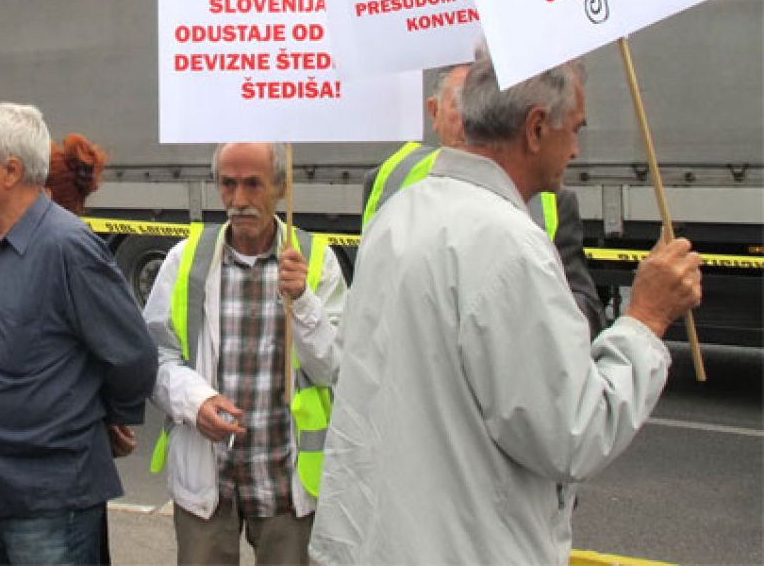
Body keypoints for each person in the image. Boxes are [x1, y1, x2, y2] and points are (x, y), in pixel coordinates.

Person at [309, 45, 703, 565]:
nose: (577, 151)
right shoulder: (508, 245)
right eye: (576, 129)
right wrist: (645, 318)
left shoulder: (400, 213)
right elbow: (574, 434)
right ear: (536, 127)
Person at [0, 103, 157, 565]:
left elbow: (133, 356)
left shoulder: (67, 247)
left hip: (45, 499)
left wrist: (99, 414)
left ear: (11, 172)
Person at [144, 142, 345, 566]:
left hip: (285, 483)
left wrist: (303, 300)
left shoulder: (315, 261)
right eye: (227, 184)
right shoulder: (186, 260)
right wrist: (194, 402)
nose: (238, 200)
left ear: (281, 187)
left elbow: (334, 370)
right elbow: (156, 357)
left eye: (253, 184)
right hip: (207, 479)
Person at [363, 62, 606, 336]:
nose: (472, 116)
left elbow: (582, 309)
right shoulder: (390, 180)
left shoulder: (552, 201)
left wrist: (539, 309)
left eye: (484, 105)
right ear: (434, 111)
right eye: (463, 103)